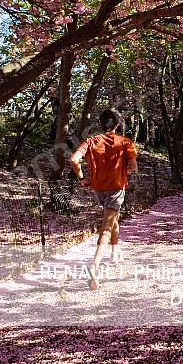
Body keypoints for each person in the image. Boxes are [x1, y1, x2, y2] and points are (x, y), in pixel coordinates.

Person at [69, 108, 138, 290]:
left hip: (99, 189)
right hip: (117, 187)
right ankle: (95, 267)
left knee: (112, 218)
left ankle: (115, 252)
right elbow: (133, 166)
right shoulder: (125, 142)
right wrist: (124, 172)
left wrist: (82, 178)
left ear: (101, 123)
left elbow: (74, 160)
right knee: (106, 226)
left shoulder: (90, 141)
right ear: (117, 124)